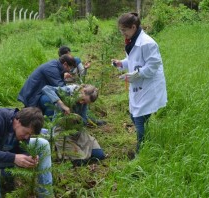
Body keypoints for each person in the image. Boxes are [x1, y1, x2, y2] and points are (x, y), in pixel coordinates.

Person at [111, 12, 167, 154]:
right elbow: (132, 60)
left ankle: (141, 150)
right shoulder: (133, 41)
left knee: (139, 117)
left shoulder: (147, 43)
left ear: (133, 27)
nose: (123, 34)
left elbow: (153, 65)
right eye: (121, 31)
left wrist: (135, 75)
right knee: (134, 114)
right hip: (139, 84)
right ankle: (146, 140)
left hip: (149, 85)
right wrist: (120, 63)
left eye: (124, 30)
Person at [42, 84, 106, 166]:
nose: (82, 102)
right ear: (82, 90)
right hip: (62, 132)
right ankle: (70, 155)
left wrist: (79, 119)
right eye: (83, 99)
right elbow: (46, 88)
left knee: (99, 155)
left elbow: (84, 119)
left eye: (85, 102)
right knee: (81, 162)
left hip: (77, 131)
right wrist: (63, 105)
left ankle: (80, 152)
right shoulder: (68, 91)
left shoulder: (84, 103)